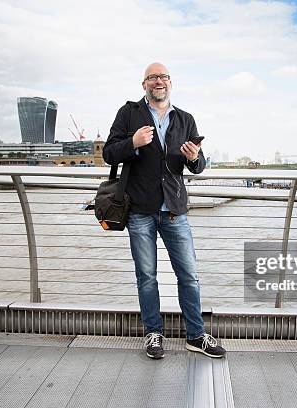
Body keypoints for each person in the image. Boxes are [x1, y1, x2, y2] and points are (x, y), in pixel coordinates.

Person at [103, 62, 226, 360]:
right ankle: (153, 333)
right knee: (147, 276)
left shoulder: (185, 119)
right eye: (152, 77)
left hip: (174, 210)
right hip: (140, 210)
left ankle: (196, 336)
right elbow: (109, 152)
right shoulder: (129, 113)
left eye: (163, 77)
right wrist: (132, 142)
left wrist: (195, 158)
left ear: (171, 82)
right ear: (144, 83)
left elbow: (198, 167)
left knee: (189, 275)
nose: (159, 81)